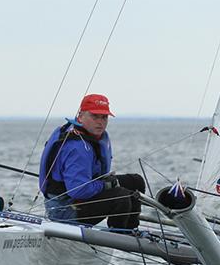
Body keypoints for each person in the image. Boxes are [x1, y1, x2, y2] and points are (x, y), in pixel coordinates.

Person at [38, 93, 145, 230]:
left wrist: (108, 184)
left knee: (136, 181)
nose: (100, 122)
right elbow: (79, 191)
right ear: (81, 116)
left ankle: (132, 229)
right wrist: (107, 186)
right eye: (95, 116)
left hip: (81, 198)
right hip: (66, 212)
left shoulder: (90, 135)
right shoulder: (77, 148)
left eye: (104, 117)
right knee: (121, 197)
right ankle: (121, 237)